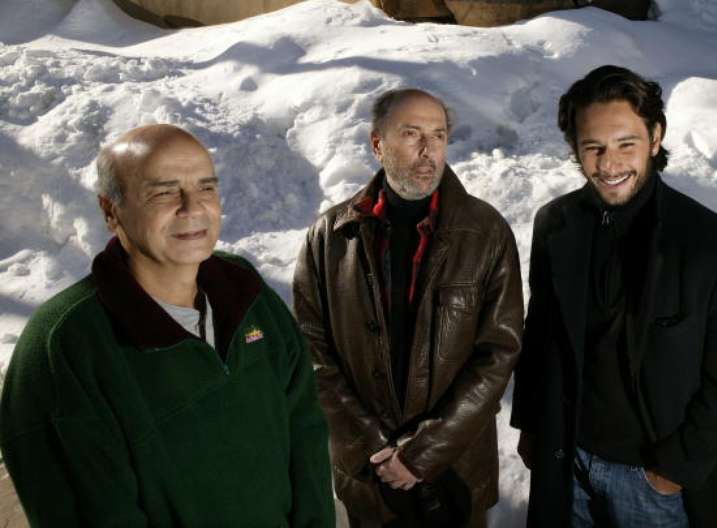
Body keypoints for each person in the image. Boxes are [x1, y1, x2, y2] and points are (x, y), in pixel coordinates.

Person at [0, 124, 335, 527]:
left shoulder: (246, 294)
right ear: (111, 211)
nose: (192, 208)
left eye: (206, 188)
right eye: (163, 192)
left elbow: (305, 431)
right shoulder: (68, 344)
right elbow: (92, 512)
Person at [510, 65, 717, 527]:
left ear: (654, 136)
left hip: (656, 484)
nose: (609, 165)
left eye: (625, 143)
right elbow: (541, 333)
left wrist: (670, 472)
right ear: (575, 150)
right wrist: (532, 426)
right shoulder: (555, 224)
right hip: (567, 465)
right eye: (594, 148)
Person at [292, 89, 523, 527]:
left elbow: (499, 354)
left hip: (455, 474)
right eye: (411, 134)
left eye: (437, 135)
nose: (427, 149)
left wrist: (421, 453)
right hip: (370, 478)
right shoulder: (329, 236)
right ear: (377, 144)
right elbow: (312, 351)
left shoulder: (486, 232)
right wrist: (373, 448)